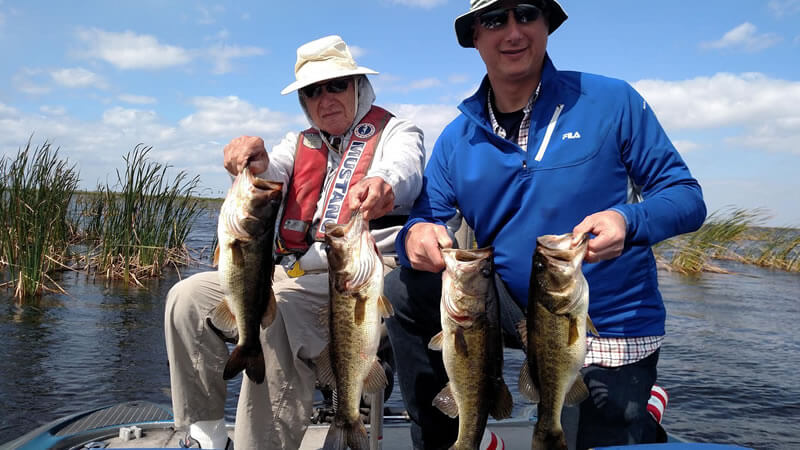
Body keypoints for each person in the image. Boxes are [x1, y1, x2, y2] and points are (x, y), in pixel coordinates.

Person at [383, 1, 707, 449]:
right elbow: (425, 219)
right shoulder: (457, 137)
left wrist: (627, 220)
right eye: (495, 20)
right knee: (402, 287)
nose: (513, 32)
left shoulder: (611, 101)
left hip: (603, 321)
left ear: (547, 25)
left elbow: (686, 197)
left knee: (591, 436)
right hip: (503, 306)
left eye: (527, 14)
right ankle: (450, 437)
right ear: (474, 37)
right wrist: (415, 234)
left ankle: (636, 410)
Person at [164, 35, 425, 449]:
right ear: (304, 100)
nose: (326, 97)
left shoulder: (397, 132)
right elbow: (272, 170)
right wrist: (251, 160)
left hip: (359, 281)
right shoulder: (298, 144)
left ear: (358, 85)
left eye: (336, 84)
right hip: (294, 275)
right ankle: (207, 436)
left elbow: (405, 167)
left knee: (277, 320)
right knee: (187, 297)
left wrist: (383, 182)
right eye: (313, 91)